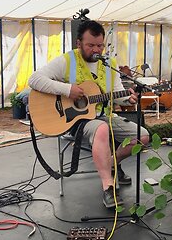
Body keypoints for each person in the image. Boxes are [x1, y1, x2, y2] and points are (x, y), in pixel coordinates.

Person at [28, 20, 149, 208]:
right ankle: (108, 188)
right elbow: (34, 79)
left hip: (105, 116)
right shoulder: (67, 60)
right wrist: (68, 90)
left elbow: (116, 94)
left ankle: (111, 163)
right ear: (79, 44)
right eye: (90, 45)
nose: (96, 50)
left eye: (99, 45)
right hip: (75, 121)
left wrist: (128, 99)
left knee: (143, 136)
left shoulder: (110, 64)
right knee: (101, 129)